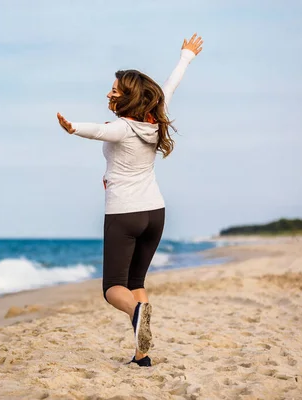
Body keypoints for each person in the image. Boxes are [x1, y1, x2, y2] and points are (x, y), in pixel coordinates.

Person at [56, 34, 203, 367]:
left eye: (115, 90)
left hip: (125, 213)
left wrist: (72, 127)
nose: (109, 92)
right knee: (136, 282)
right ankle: (142, 355)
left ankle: (138, 313)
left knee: (113, 289)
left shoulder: (123, 127)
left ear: (128, 98)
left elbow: (97, 130)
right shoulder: (155, 116)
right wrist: (185, 56)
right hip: (155, 212)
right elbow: (170, 85)